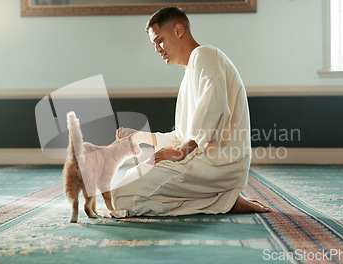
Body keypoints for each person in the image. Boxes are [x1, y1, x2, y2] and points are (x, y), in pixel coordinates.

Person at [111, 7, 271, 217]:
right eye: (154, 44)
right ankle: (223, 199)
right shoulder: (190, 73)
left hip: (219, 163)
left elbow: (215, 108)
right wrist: (141, 137)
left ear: (179, 30)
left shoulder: (204, 54)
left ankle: (224, 198)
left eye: (160, 40)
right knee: (129, 180)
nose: (157, 49)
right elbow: (182, 136)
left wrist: (181, 152)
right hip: (200, 158)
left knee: (121, 197)